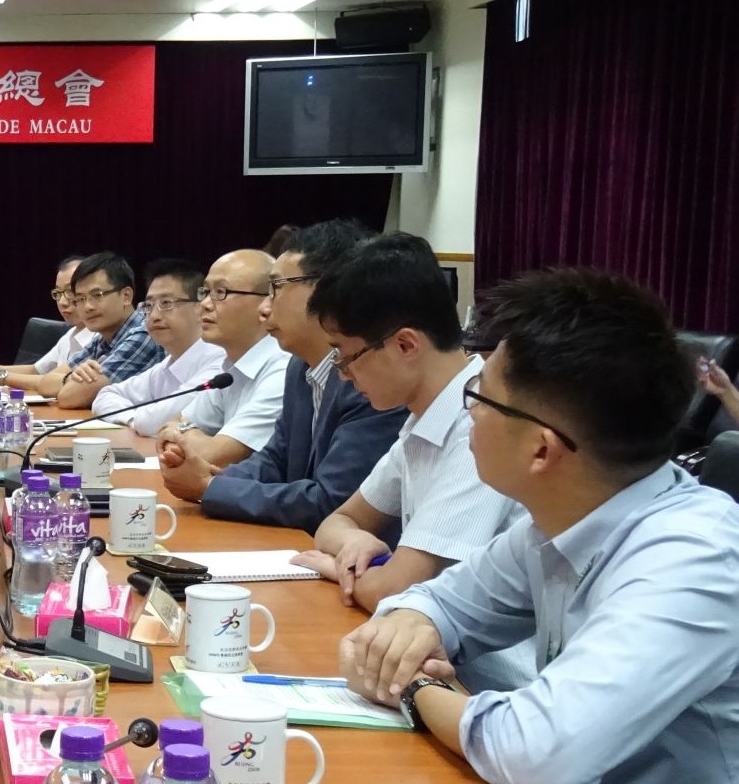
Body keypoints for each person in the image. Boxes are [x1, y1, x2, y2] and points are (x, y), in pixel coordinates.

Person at [339, 268, 739, 784]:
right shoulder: (562, 521)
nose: (468, 415)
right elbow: (432, 602)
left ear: (541, 449)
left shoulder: (693, 559)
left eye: (479, 398)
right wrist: (410, 624)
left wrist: (410, 690)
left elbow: (537, 753)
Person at [294, 234, 523, 611]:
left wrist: (344, 571)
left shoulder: (482, 424)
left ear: (405, 345)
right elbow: (338, 521)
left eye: (347, 357)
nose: (344, 375)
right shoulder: (423, 418)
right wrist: (354, 542)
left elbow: (394, 589)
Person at [177, 221, 407, 530]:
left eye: (276, 288)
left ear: (328, 288)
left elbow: (333, 501)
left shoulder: (370, 378)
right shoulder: (299, 367)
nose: (264, 308)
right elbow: (275, 460)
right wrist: (210, 480)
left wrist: (209, 488)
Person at [156, 250, 288, 469]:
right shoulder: (230, 368)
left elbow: (215, 454)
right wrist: (186, 437)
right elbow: (172, 424)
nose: (205, 304)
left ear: (266, 302)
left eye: (221, 292)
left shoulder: (282, 370)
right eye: (206, 292)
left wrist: (184, 438)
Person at [90, 259, 225, 436]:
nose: (154, 316)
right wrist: (132, 420)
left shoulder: (220, 363)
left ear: (200, 307)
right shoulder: (167, 365)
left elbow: (156, 422)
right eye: (148, 306)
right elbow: (105, 395)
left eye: (166, 303)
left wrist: (141, 421)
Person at [47, 252, 166, 409]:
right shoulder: (102, 338)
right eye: (81, 299)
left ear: (126, 296)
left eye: (97, 295)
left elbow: (69, 398)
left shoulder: (143, 334)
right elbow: (46, 382)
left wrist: (68, 381)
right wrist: (71, 377)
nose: (88, 306)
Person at [0, 253, 99, 393]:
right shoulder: (71, 334)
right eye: (58, 293)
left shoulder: (100, 338)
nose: (62, 302)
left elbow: (55, 381)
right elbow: (36, 370)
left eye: (70, 291)